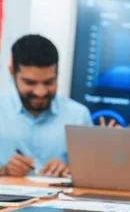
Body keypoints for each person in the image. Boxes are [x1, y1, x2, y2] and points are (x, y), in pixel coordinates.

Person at [0, 34, 92, 177]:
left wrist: (68, 171)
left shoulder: (78, 116)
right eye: (30, 83)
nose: (40, 92)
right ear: (12, 72)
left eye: (49, 82)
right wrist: (4, 171)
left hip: (60, 198)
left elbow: (91, 175)